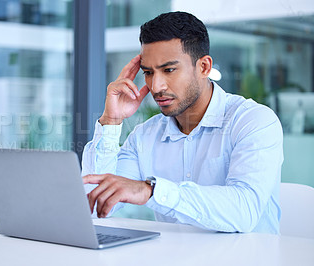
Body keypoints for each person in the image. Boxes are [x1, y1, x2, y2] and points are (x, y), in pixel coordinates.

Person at [81, 11, 283, 234]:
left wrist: (152, 191)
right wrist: (111, 121)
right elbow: (94, 207)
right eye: (148, 72)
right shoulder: (144, 136)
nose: (156, 86)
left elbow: (244, 211)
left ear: (204, 67)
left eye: (169, 70)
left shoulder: (253, 121)